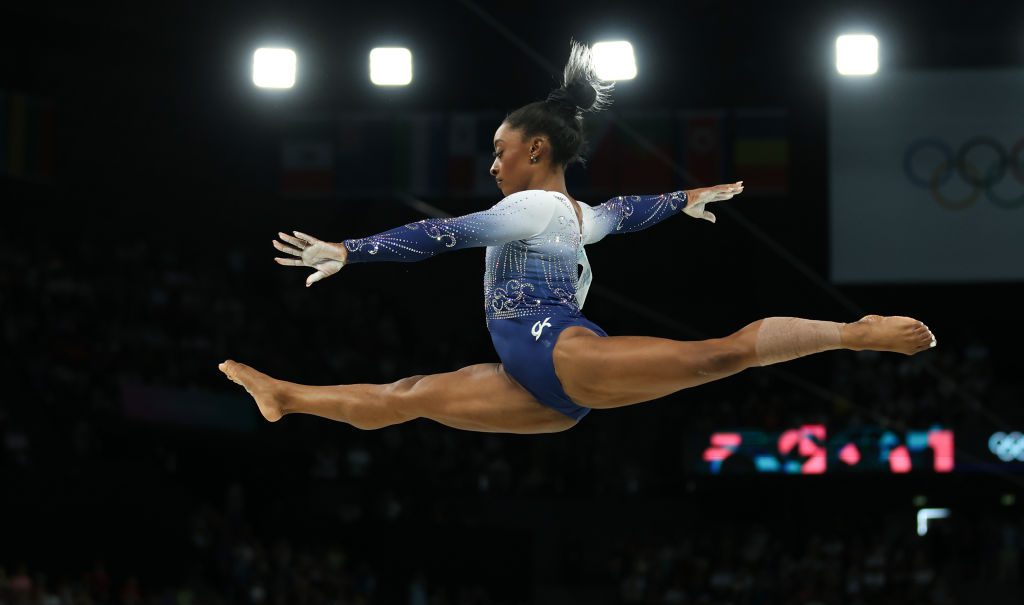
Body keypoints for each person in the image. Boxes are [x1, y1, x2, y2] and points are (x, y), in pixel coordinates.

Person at [219, 40, 936, 435]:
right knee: (406, 394)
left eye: (501, 148)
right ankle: (285, 395)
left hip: (558, 352)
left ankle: (854, 332)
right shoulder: (572, 218)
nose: (493, 162)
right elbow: (624, 211)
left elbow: (441, 233)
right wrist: (682, 198)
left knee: (714, 356)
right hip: (542, 392)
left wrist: (350, 250)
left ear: (537, 149)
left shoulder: (531, 210)